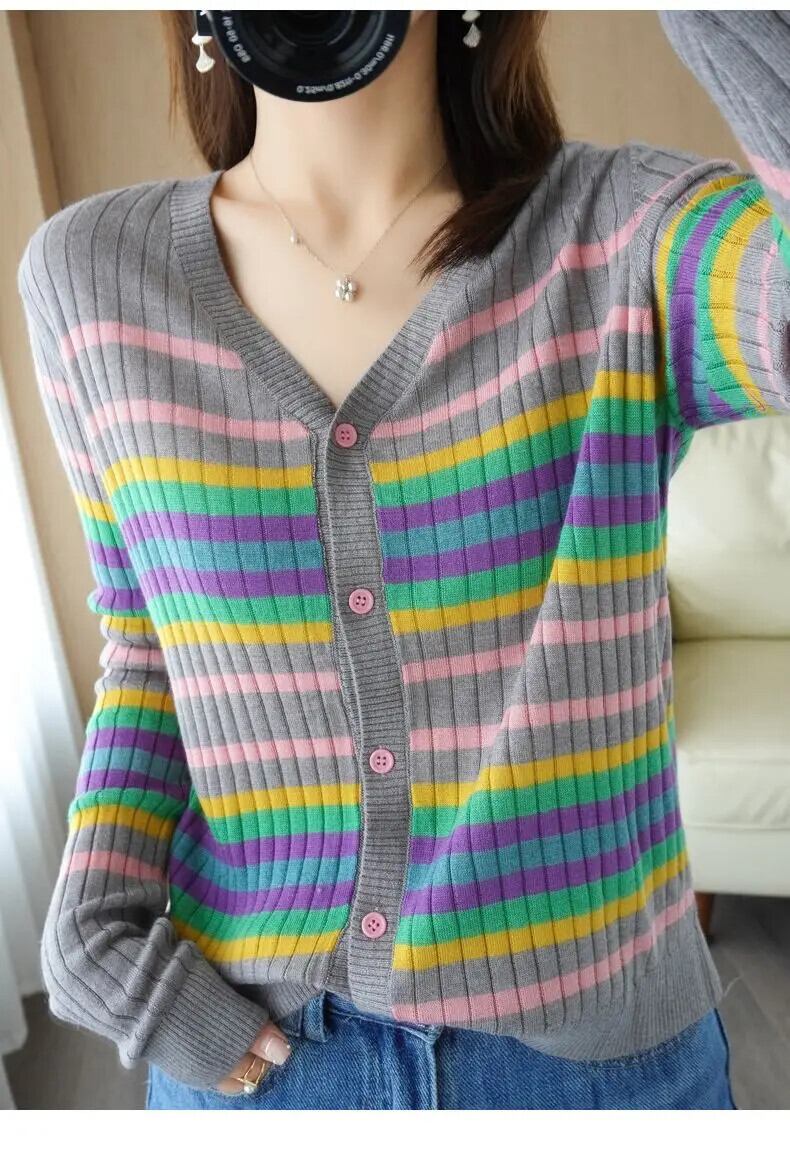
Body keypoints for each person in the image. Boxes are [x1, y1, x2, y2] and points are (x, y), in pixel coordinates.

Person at [15, 9, 788, 1110]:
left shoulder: (631, 236)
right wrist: (93, 918)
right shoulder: (92, 276)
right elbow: (151, 638)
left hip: (600, 1070)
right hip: (261, 1060)